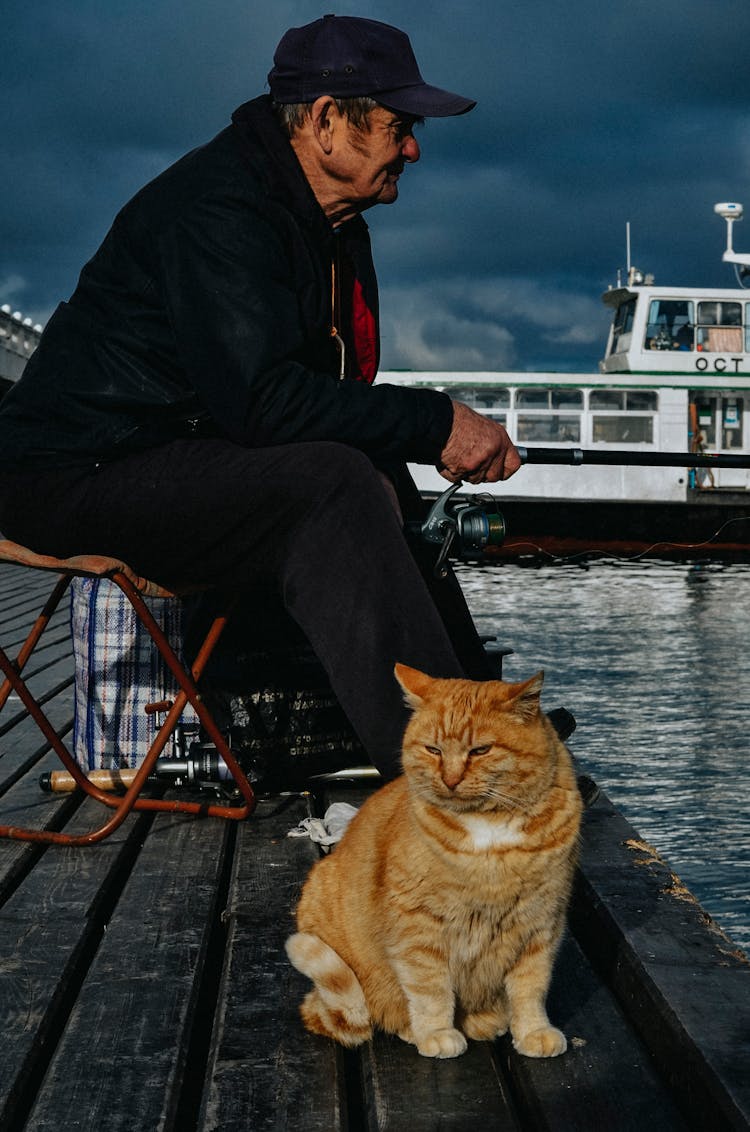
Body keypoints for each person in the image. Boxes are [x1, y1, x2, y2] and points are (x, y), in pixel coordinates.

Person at [0, 15, 520, 780]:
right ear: (325, 121)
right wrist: (437, 420)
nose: (412, 148)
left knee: (372, 471)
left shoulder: (315, 217)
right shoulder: (220, 208)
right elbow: (266, 406)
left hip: (156, 457)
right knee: (330, 485)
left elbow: (304, 398)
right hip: (71, 476)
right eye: (398, 126)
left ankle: (479, 733)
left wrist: (401, 440)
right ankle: (452, 785)